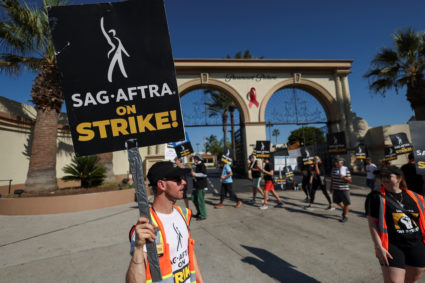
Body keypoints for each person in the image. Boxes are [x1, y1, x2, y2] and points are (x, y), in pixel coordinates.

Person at [126, 161, 205, 283]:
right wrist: (137, 248)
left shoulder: (182, 214)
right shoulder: (146, 227)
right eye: (178, 179)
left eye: (183, 178)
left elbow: (189, 251)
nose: (184, 182)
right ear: (162, 185)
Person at [365, 165, 425, 283]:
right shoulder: (375, 196)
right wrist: (379, 247)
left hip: (416, 242)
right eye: (381, 176)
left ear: (399, 178)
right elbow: (372, 223)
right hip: (392, 245)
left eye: (388, 176)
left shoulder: (415, 197)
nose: (384, 179)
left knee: (414, 277)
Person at [330, 158, 352, 222]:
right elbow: (332, 179)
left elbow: (350, 180)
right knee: (336, 201)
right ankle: (344, 209)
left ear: (341, 163)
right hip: (336, 188)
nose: (336, 163)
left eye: (337, 162)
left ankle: (345, 216)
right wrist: (331, 187)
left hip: (344, 189)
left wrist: (343, 177)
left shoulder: (345, 169)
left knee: (346, 203)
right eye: (335, 162)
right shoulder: (333, 169)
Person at [191, 154, 208, 220]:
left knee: (200, 201)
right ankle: (199, 212)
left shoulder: (202, 165)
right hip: (196, 185)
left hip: (201, 186)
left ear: (198, 159)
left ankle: (203, 215)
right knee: (193, 198)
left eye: (195, 158)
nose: (194, 159)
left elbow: (204, 174)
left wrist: (195, 174)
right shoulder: (196, 165)